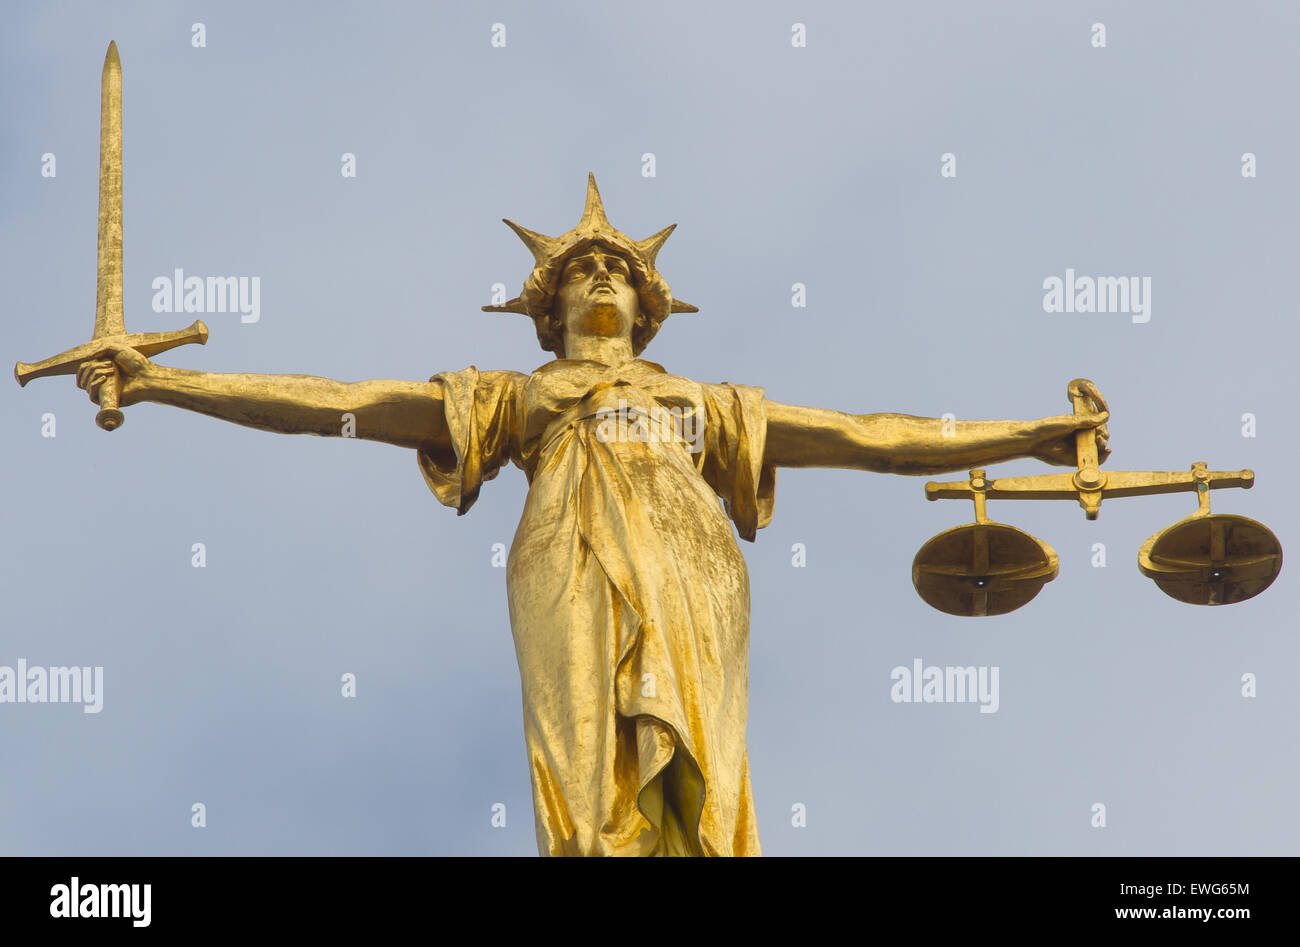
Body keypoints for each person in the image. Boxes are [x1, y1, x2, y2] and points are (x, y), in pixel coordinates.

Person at [78, 174, 1108, 856]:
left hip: (690, 563)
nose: (602, 276)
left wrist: (1023, 435)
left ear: (650, 306)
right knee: (582, 774)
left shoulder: (702, 408)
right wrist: (172, 384)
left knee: (701, 774)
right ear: (548, 308)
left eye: (618, 269)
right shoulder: (518, 399)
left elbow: (869, 435)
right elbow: (343, 405)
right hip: (565, 554)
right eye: (581, 271)